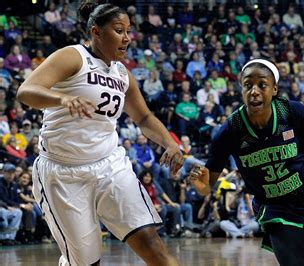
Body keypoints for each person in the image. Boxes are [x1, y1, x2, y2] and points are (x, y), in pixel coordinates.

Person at [16, 2, 182, 265]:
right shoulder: (73, 56)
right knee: (87, 262)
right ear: (96, 32)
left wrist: (169, 143)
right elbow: (26, 91)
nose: (127, 37)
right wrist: (62, 98)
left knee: (153, 245)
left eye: (129, 30)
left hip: (109, 166)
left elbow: (144, 117)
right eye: (119, 30)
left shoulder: (122, 74)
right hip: (63, 172)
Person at [188, 59, 304, 266]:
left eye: (261, 85)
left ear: (274, 89)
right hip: (276, 207)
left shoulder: (292, 112)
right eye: (248, 85)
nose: (254, 91)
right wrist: (201, 185)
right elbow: (206, 186)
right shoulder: (230, 131)